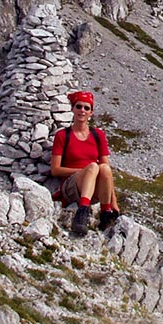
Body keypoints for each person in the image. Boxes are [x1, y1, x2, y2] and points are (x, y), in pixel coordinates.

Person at [50, 90, 120, 235]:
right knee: (94, 166)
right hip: (71, 186)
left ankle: (106, 211)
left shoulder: (98, 135)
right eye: (79, 106)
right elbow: (55, 169)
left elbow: (106, 171)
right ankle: (82, 212)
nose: (82, 110)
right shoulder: (62, 135)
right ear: (73, 109)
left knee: (104, 168)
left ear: (91, 113)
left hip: (92, 186)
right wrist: (85, 171)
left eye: (86, 108)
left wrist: (114, 201)